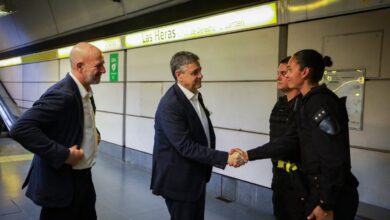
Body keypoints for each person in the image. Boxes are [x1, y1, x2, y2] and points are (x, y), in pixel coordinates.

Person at [234, 49, 359, 220]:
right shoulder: (307, 103)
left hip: (330, 198)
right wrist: (248, 155)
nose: (286, 75)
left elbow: (333, 159)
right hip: (316, 192)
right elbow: (288, 141)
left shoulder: (320, 103)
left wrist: (325, 204)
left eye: (290, 70)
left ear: (305, 72)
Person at [10, 42, 105, 220]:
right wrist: (64, 155)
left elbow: (78, 119)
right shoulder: (62, 94)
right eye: (98, 65)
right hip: (62, 185)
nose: (103, 70)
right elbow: (20, 128)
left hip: (83, 179)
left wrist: (93, 133)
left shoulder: (84, 91)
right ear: (79, 66)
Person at [150, 51, 244, 220]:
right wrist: (225, 158)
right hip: (179, 182)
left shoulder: (193, 96)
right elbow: (185, 146)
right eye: (195, 72)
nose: (201, 76)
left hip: (194, 177)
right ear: (179, 75)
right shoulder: (171, 105)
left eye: (200, 71)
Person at [267, 56, 303, 220]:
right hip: (279, 176)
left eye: (283, 73)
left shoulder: (305, 105)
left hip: (299, 180)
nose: (279, 77)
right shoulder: (280, 103)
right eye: (278, 73)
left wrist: (248, 155)